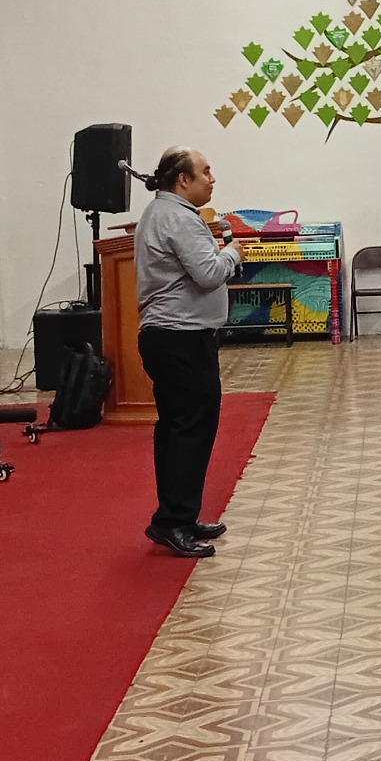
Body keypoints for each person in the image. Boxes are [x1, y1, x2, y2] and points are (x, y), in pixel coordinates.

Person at [134, 147, 251, 558]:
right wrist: (234, 253)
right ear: (182, 180)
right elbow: (209, 274)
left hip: (173, 336)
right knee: (190, 428)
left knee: (177, 427)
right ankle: (172, 521)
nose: (212, 178)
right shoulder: (178, 218)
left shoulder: (162, 213)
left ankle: (178, 515)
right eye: (205, 172)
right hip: (179, 337)